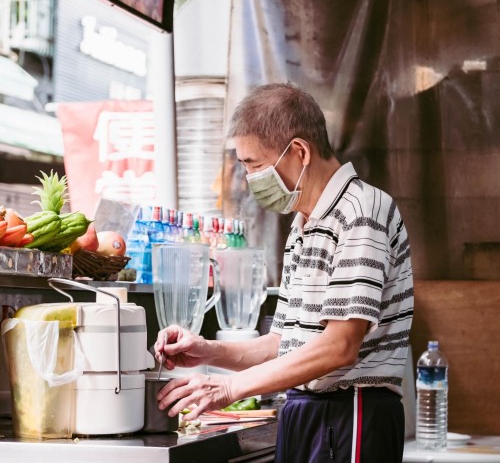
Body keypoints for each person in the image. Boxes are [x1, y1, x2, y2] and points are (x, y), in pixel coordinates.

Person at [154, 83, 414, 463]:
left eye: (255, 165)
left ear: (299, 152)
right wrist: (207, 351)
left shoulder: (362, 210)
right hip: (305, 411)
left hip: (351, 414)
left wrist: (228, 387)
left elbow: (340, 346)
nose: (248, 180)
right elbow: (285, 342)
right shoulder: (303, 224)